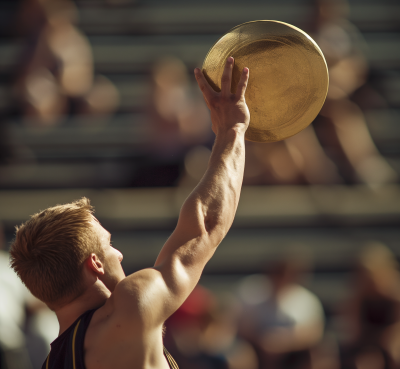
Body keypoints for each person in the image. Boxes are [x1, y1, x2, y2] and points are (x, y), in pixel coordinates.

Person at [9, 56, 250, 369]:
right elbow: (204, 227)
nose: (119, 254)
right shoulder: (129, 307)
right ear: (94, 263)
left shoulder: (52, 362)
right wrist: (232, 130)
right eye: (109, 244)